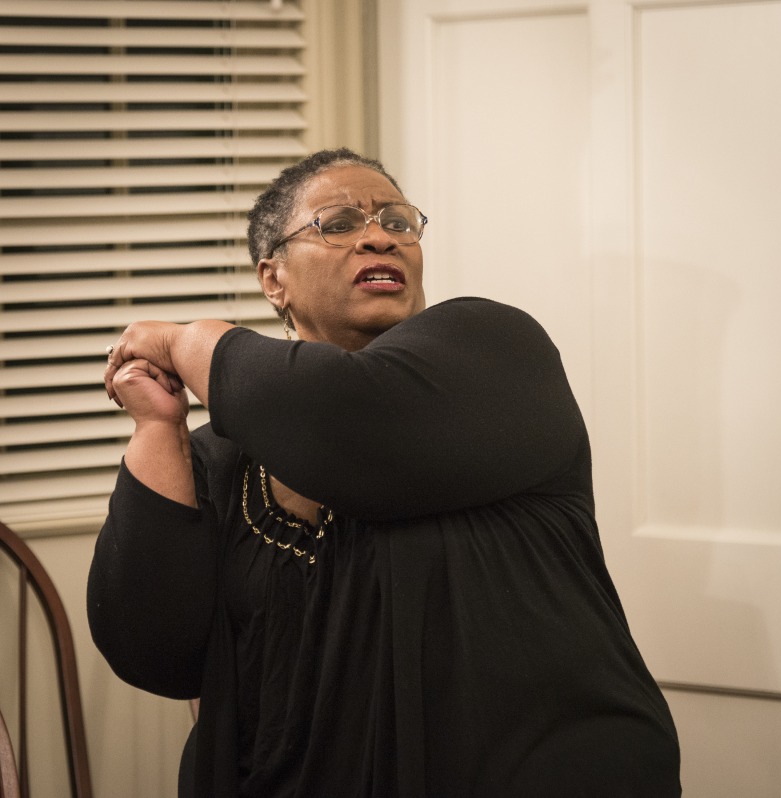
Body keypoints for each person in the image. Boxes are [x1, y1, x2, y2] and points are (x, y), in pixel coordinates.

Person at [88, 148, 681, 797]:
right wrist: (157, 429)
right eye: (338, 222)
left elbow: (344, 422)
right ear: (273, 278)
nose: (378, 235)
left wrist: (182, 341)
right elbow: (152, 648)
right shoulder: (220, 460)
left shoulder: (496, 350)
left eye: (398, 222)